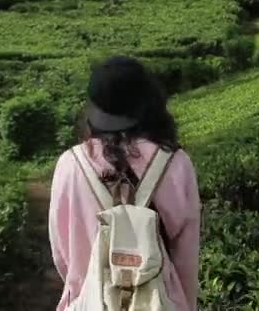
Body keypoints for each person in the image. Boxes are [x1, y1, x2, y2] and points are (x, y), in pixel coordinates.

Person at [48, 55, 201, 311]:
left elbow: (64, 256)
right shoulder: (176, 163)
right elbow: (186, 259)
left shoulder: (70, 165)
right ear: (149, 103)